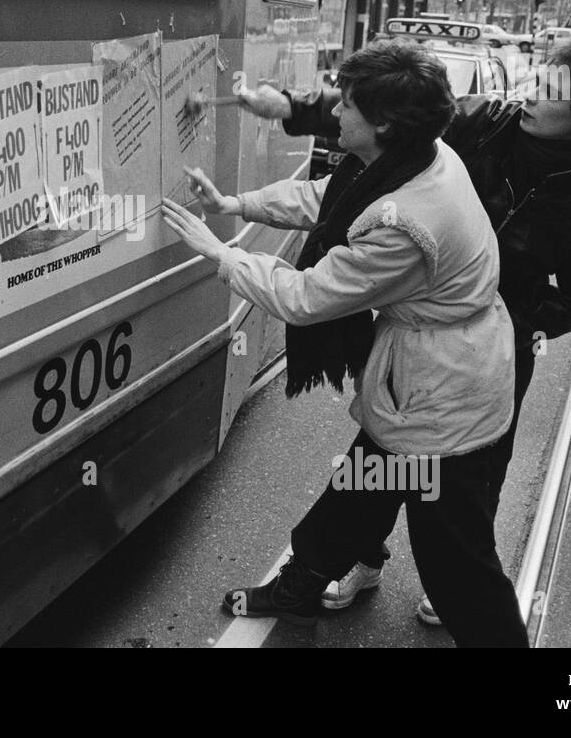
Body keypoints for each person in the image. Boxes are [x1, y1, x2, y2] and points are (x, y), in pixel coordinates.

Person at [236, 34, 571, 624]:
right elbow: (390, 116)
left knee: (457, 490)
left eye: (549, 92)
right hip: (417, 332)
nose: (527, 95)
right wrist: (295, 108)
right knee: (380, 456)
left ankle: (450, 589)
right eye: (536, 79)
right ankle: (353, 562)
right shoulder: (483, 123)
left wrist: (524, 322)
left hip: (489, 351)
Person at [162, 41, 528, 647]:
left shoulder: (406, 225)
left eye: (347, 106)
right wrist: (237, 204)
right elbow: (331, 198)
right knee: (360, 489)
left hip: (440, 402)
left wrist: (222, 253)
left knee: (455, 562)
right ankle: (299, 588)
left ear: (382, 123)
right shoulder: (419, 156)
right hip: (427, 380)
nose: (334, 114)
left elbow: (306, 297)